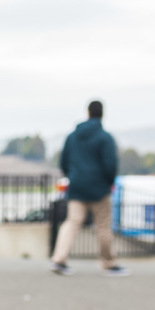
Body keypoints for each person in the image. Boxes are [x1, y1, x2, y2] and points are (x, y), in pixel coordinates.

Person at [49, 100, 130, 276]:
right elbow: (110, 165)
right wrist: (108, 182)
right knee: (103, 226)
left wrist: (73, 176)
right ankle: (108, 262)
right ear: (102, 114)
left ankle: (59, 259)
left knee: (72, 223)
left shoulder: (72, 136)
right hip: (99, 188)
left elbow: (63, 161)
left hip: (77, 187)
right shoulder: (105, 137)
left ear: (88, 112)